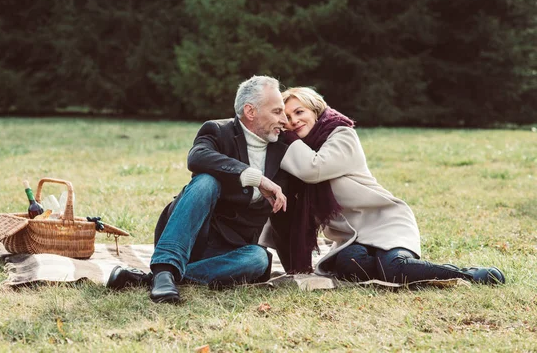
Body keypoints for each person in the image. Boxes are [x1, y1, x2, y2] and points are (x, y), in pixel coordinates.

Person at [274, 86, 505, 285]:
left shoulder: (341, 135)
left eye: (299, 111)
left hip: (386, 222)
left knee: (394, 268)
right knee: (349, 265)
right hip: (353, 238)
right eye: (287, 117)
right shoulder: (299, 153)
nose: (294, 121)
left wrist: (288, 139)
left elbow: (314, 169)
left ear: (315, 111)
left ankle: (467, 275)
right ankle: (392, 267)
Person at [108, 75, 291, 302]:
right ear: (250, 111)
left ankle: (155, 278)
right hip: (189, 238)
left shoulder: (283, 148)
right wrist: (256, 178)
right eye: (277, 111)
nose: (285, 119)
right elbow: (197, 157)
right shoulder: (218, 130)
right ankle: (165, 266)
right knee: (207, 180)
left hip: (229, 251)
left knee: (259, 259)